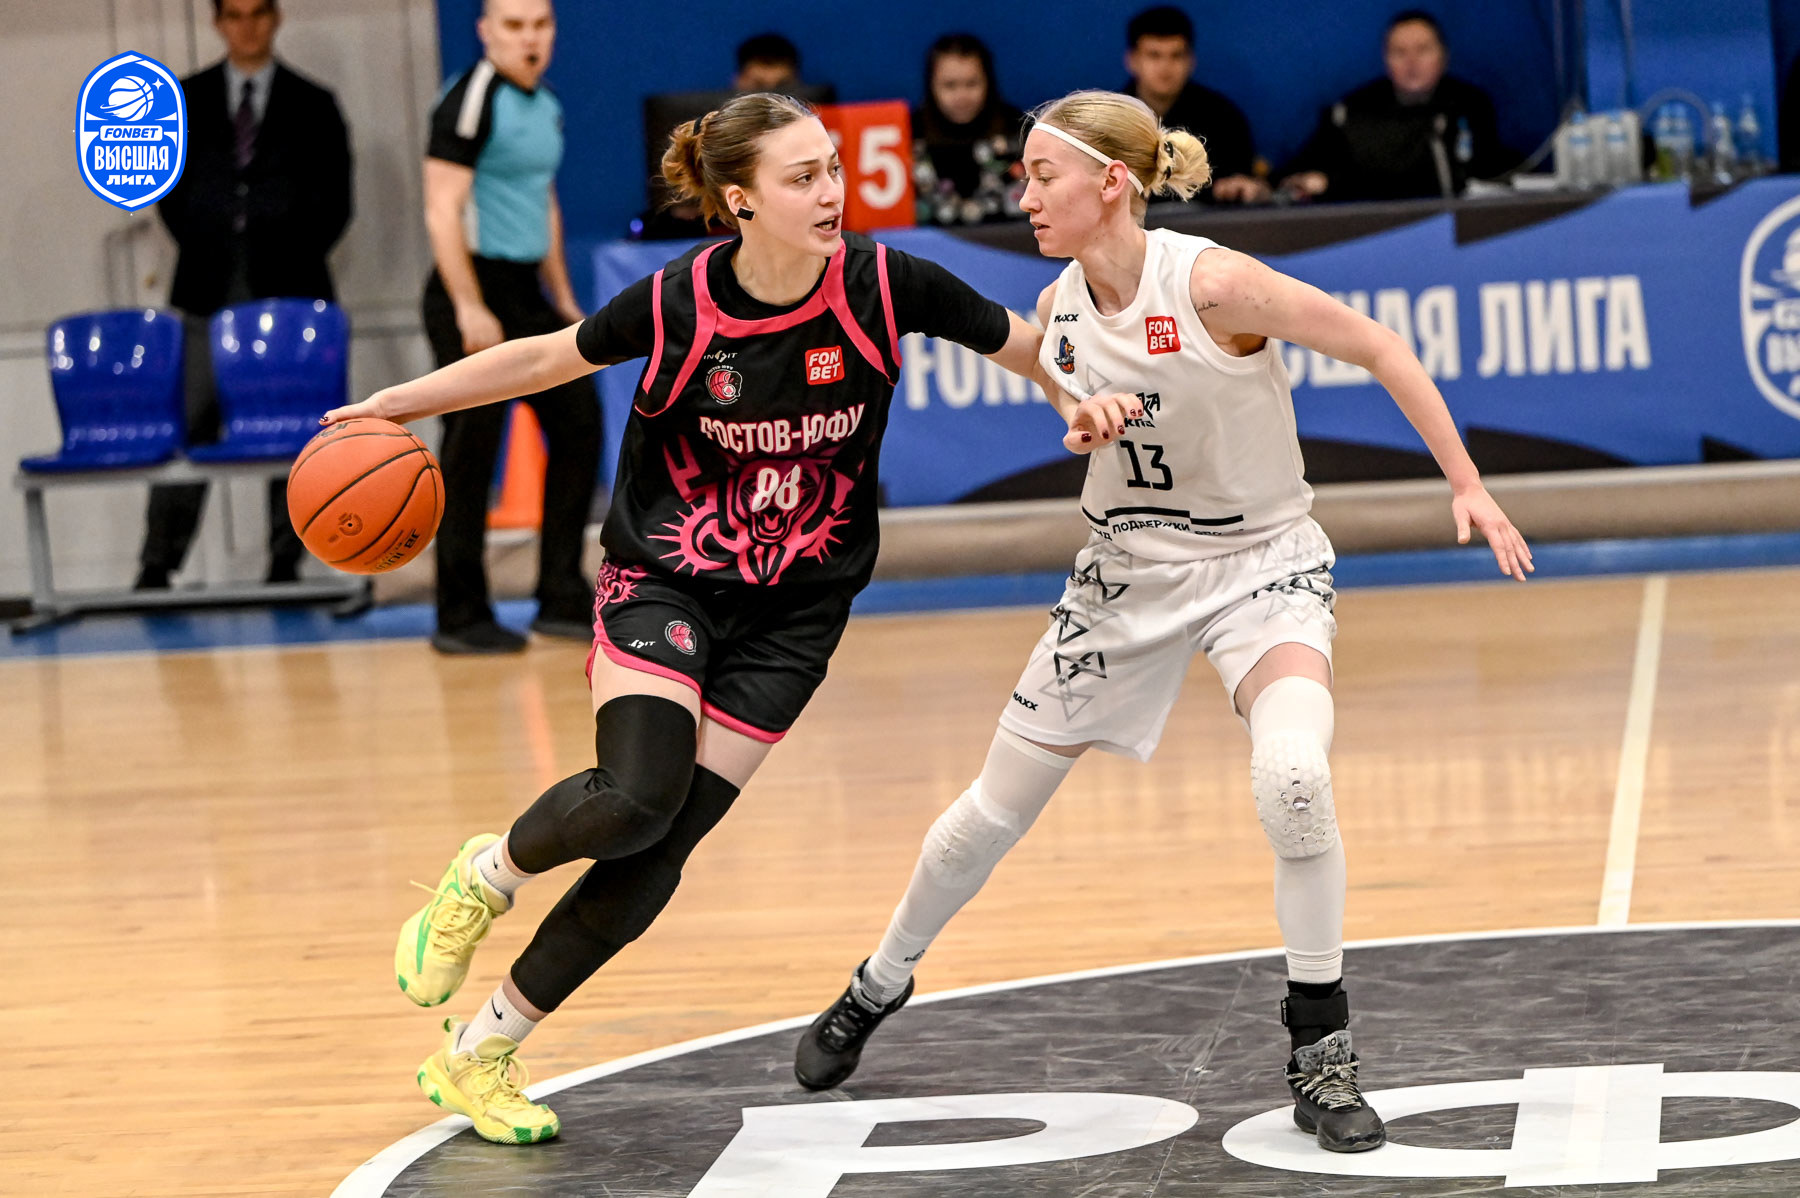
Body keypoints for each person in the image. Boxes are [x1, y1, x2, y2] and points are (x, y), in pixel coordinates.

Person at [324, 91, 1110, 1146]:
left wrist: (1076, 401)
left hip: (798, 614)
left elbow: (1030, 346)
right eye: (803, 178)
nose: (831, 193)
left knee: (662, 849)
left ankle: (478, 1054)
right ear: (740, 200)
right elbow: (544, 357)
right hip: (669, 580)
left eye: (833, 169)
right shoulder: (679, 302)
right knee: (635, 795)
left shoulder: (885, 284)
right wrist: (397, 404)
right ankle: (485, 877)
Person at [792, 89, 1533, 1155]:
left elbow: (1378, 345)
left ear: (1111, 183)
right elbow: (1075, 406)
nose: (1024, 195)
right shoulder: (1057, 309)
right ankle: (878, 981)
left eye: (1042, 176)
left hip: (1260, 563)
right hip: (1125, 573)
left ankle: (1322, 1048)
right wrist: (1078, 417)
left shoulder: (1213, 283)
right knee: (986, 816)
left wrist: (1467, 481)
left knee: (1294, 778)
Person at [138, 0, 352, 590]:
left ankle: (286, 560)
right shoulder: (183, 100)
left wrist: (281, 238)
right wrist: (213, 235)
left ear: (275, 17)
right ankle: (157, 565)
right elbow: (167, 192)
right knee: (188, 425)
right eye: (234, 14)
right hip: (206, 289)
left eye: (258, 12)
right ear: (218, 23)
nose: (247, 26)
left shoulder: (314, 103)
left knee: (294, 427)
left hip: (291, 292)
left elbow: (337, 204)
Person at [421, 0, 601, 654]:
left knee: (580, 424)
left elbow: (541, 199)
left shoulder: (545, 105)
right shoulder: (470, 99)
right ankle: (460, 614)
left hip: (526, 294)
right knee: (471, 450)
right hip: (471, 288)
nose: (530, 38)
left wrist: (563, 299)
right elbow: (442, 209)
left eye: (540, 25)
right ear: (486, 32)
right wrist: (470, 305)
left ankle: (561, 594)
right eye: (515, 25)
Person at [1280, 10, 1515, 202]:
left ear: (1444, 56)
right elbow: (1301, 170)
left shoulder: (1471, 104)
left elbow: (1488, 170)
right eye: (1399, 52)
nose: (1411, 62)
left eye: (1422, 50)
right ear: (1386, 60)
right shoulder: (1354, 110)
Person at [1122, 5, 1267, 204]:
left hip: (1210, 221)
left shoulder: (1223, 117)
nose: (1165, 67)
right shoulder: (1108, 120)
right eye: (1154, 55)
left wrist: (1243, 187)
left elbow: (1244, 185)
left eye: (1176, 55)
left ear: (1191, 61)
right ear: (1132, 61)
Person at [913, 33, 1027, 224]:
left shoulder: (1018, 129)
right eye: (950, 85)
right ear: (931, 85)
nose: (962, 96)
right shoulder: (909, 133)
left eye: (971, 84)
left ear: (988, 82)